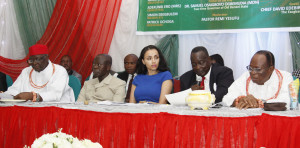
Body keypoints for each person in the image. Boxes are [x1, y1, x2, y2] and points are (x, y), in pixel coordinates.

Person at [222, 50, 293, 109]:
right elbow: (226, 99)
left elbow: (286, 100)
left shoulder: (285, 77)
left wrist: (259, 103)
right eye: (250, 68)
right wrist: (239, 100)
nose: (252, 72)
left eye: (257, 69)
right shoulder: (245, 76)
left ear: (270, 69)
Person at [3, 44, 75, 102]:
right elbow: (14, 89)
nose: (34, 63)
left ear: (47, 58)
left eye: (37, 59)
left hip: (57, 110)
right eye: (31, 60)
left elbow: (55, 94)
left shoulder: (60, 71)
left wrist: (32, 96)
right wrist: (5, 95)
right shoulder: (26, 71)